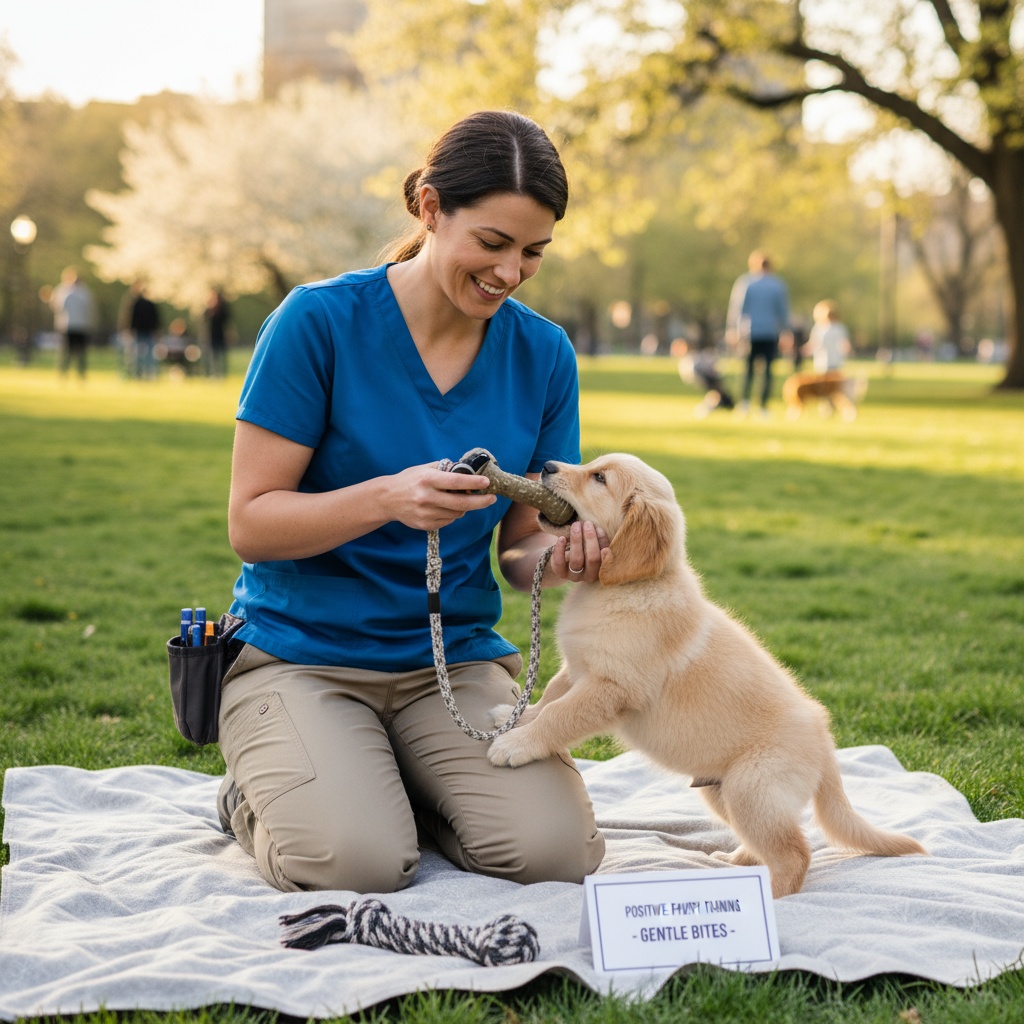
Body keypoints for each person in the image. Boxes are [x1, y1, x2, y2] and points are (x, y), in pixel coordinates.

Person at [216, 110, 608, 895]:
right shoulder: (317, 322)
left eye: (534, 251)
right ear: (430, 208)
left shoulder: (543, 354)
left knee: (556, 854)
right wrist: (388, 498)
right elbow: (251, 523)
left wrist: (560, 559)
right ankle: (254, 795)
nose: (511, 271)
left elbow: (519, 549)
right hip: (302, 657)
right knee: (354, 862)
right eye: (493, 242)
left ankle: (391, 783)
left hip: (453, 665)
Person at [726, 250, 791, 415]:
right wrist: (786, 331)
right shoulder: (777, 285)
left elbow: (737, 309)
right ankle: (763, 405)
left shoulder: (746, 283)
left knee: (748, 369)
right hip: (770, 332)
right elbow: (782, 312)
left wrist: (732, 329)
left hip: (750, 332)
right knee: (767, 371)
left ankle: (744, 403)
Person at [49, 267, 97, 379]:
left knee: (69, 352)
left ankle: (66, 372)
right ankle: (74, 373)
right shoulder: (85, 292)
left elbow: (58, 307)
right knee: (76, 352)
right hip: (77, 326)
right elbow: (90, 309)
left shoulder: (64, 291)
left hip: (71, 326)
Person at [671, 338, 736, 416]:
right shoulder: (688, 361)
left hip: (705, 376)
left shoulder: (692, 357)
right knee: (717, 393)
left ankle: (716, 405)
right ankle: (708, 407)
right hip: (704, 377)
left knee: (720, 394)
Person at [802, 300, 851, 373]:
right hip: (823, 362)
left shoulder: (838, 327)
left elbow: (844, 342)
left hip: (834, 361)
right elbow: (814, 343)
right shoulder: (819, 327)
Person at [128, 281, 160, 379]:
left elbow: (132, 318)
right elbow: (156, 319)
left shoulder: (137, 303)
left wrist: (131, 329)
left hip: (141, 331)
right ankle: (148, 373)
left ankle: (140, 373)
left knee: (139, 353)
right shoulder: (149, 304)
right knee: (147, 353)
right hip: (146, 331)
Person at [203, 287, 232, 377]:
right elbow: (205, 323)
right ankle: (213, 373)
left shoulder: (223, 310)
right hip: (212, 335)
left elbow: (227, 323)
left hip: (220, 334)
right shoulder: (208, 310)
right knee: (213, 355)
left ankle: (222, 373)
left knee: (221, 355)